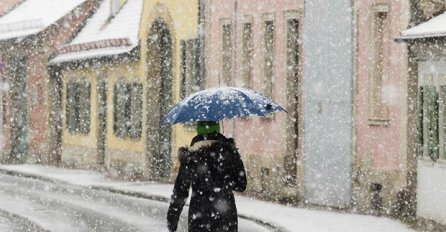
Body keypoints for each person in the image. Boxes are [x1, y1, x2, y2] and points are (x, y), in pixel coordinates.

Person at [167, 121, 247, 232]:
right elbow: (241, 185)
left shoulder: (191, 156)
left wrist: (172, 218)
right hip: (226, 218)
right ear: (217, 127)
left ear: (198, 129)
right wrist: (225, 178)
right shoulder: (229, 152)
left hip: (199, 218)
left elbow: (181, 190)